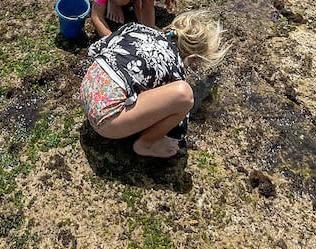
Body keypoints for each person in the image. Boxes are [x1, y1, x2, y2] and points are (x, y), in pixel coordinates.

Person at [80, 10, 226, 158]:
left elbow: (98, 48)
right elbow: (177, 131)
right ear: (191, 58)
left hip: (87, 86)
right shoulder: (176, 68)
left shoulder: (137, 28)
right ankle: (146, 144)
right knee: (185, 95)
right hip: (105, 121)